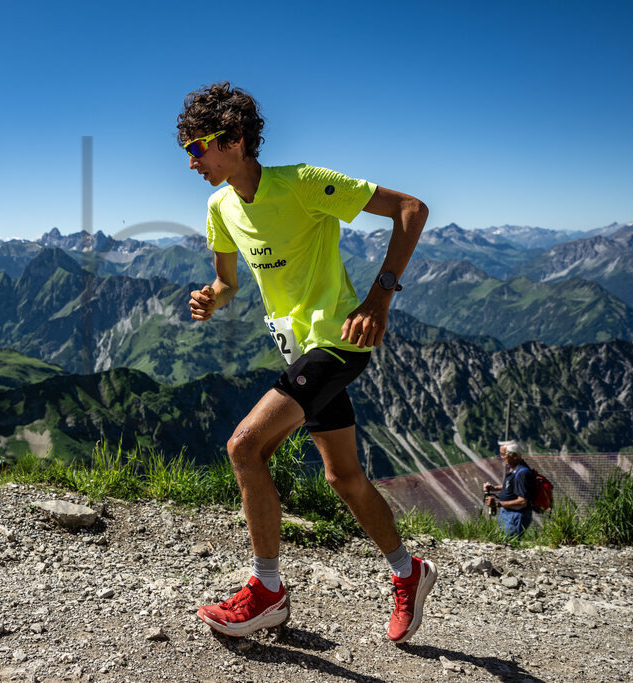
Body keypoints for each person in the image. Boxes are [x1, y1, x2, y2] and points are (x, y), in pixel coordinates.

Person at [179, 82, 434, 643]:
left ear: (236, 140)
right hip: (297, 348)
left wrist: (379, 297)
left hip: (339, 338)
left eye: (199, 148)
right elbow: (228, 281)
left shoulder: (300, 183)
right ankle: (408, 573)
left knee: (244, 446)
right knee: (343, 476)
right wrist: (210, 298)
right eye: (187, 151)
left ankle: (267, 591)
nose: (192, 161)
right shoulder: (220, 206)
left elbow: (410, 209)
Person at [483, 441, 536, 538]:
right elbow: (510, 485)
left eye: (504, 454)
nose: (502, 457)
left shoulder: (522, 473)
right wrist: (493, 488)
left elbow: (522, 502)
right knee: (500, 540)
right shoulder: (512, 467)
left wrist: (497, 504)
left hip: (516, 515)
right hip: (506, 513)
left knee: (507, 544)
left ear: (514, 456)